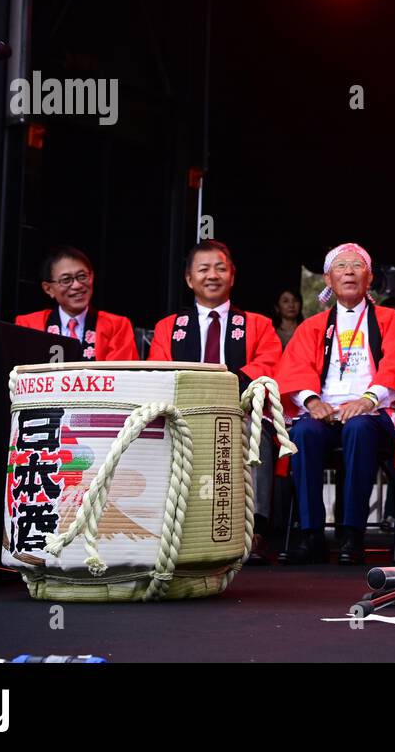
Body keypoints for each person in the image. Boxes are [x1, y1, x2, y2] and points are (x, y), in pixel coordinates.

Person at [276, 243, 395, 565]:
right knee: (305, 434)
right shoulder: (312, 326)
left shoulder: (390, 320)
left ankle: (351, 533)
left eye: (357, 266)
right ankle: (310, 534)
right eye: (341, 266)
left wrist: (368, 400)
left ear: (369, 278)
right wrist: (312, 401)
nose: (349, 272)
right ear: (328, 279)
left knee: (359, 430)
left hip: (373, 412)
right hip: (323, 410)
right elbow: (294, 370)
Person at [148, 239, 283, 559]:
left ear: (232, 276)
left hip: (240, 410)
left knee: (256, 431)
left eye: (220, 268)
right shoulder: (169, 327)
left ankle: (255, 530)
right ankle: (163, 527)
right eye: (203, 269)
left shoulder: (257, 324)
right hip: (182, 413)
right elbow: (157, 370)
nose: (212, 275)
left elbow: (269, 364)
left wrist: (226, 392)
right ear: (189, 279)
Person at [15, 246, 138, 361]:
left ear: (92, 277)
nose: (77, 285)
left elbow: (120, 377)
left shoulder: (116, 326)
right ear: (49, 289)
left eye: (82, 276)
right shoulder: (28, 325)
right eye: (66, 280)